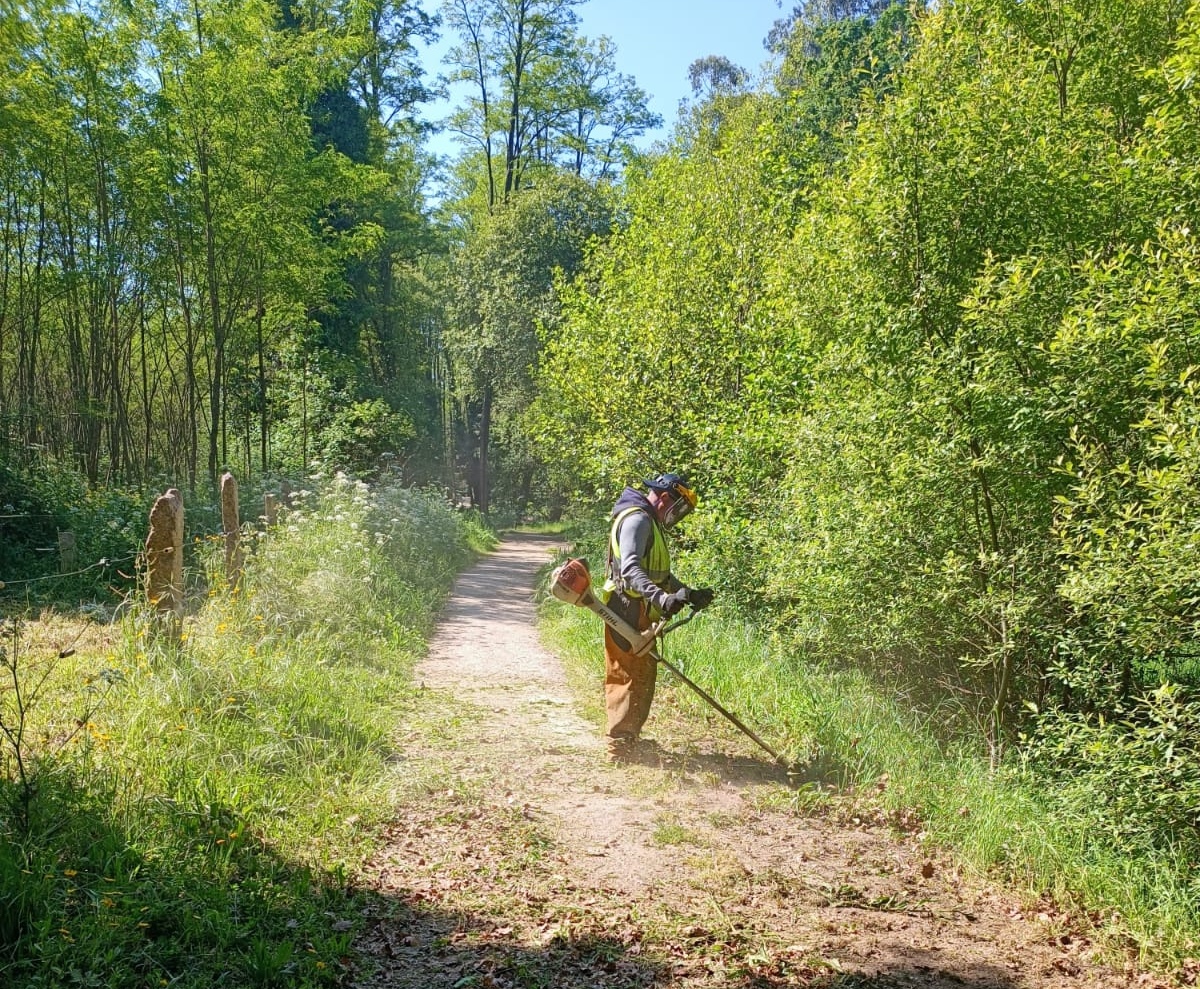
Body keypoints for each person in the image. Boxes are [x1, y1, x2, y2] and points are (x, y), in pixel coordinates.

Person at [600, 472, 715, 762]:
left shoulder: (649, 520)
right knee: (626, 674)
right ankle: (619, 746)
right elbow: (630, 569)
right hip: (627, 607)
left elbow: (658, 572)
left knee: (643, 673)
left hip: (642, 608)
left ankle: (630, 737)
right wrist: (661, 598)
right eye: (678, 509)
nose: (677, 517)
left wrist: (686, 593)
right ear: (664, 498)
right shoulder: (637, 520)